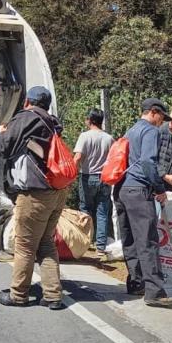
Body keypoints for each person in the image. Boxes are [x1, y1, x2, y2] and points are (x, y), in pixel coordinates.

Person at [0, 86, 68, 310]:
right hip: (57, 191)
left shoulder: (27, 117)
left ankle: (18, 295)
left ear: (27, 102)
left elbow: (2, 147)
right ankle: (52, 295)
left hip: (35, 194)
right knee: (46, 243)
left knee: (24, 245)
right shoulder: (51, 122)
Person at [116, 98, 172, 308]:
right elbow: (148, 162)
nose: (162, 122)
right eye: (162, 117)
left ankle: (136, 283)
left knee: (130, 240)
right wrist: (159, 188)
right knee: (147, 241)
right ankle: (155, 292)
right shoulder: (150, 131)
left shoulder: (130, 130)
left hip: (121, 189)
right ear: (153, 112)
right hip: (138, 190)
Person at [73, 109, 113, 255]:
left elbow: (77, 157)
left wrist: (72, 172)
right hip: (104, 177)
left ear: (89, 120)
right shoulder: (109, 138)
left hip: (87, 176)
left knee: (85, 209)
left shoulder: (85, 136)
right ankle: (101, 247)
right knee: (102, 211)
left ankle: (85, 241)